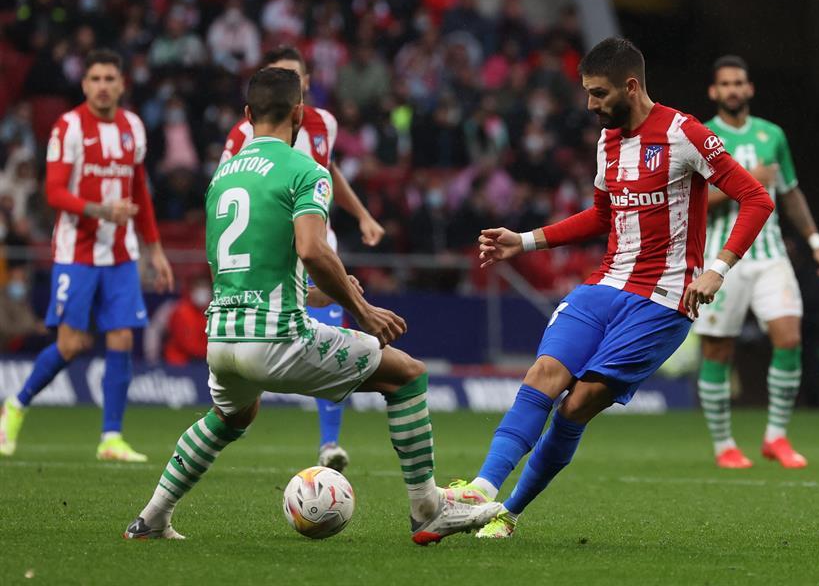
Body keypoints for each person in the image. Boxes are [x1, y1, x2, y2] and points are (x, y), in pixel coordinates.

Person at [123, 68, 500, 543]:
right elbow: (312, 250)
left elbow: (254, 266)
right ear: (300, 114)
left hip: (221, 337)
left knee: (230, 417)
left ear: (246, 115)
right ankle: (427, 509)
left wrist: (324, 289)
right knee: (407, 375)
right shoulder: (306, 171)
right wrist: (361, 310)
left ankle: (152, 518)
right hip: (275, 338)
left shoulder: (223, 174)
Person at [443, 38, 775, 538]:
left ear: (631, 86)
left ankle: (508, 513)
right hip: (604, 286)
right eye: (588, 94)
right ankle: (481, 490)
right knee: (545, 373)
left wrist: (717, 269)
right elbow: (602, 215)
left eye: (598, 94)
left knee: (577, 405)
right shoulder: (608, 141)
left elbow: (755, 198)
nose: (591, 105)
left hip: (663, 300)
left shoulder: (685, 133)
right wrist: (525, 241)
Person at [0, 49, 174, 461]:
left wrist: (155, 249)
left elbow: (139, 194)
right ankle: (15, 405)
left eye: (109, 78)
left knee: (121, 336)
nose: (102, 86)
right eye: (94, 78)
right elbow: (54, 191)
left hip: (121, 252)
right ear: (84, 85)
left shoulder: (133, 127)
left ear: (121, 84)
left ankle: (110, 439)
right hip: (76, 251)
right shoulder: (69, 127)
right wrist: (100, 210)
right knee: (72, 344)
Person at [221, 45, 386, 473]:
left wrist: (363, 214)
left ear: (305, 84)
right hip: (271, 252)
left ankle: (329, 444)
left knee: (332, 332)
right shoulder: (244, 135)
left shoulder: (324, 123)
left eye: (292, 75)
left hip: (316, 245)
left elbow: (328, 171)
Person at [693, 55, 819, 469]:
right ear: (714, 92)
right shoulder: (701, 137)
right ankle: (724, 446)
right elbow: (694, 203)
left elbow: (790, 193)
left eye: (739, 82)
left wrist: (816, 242)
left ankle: (776, 437)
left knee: (789, 337)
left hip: (771, 254)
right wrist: (749, 180)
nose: (733, 90)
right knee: (719, 350)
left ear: (750, 89)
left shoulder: (773, 135)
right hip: (721, 259)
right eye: (726, 84)